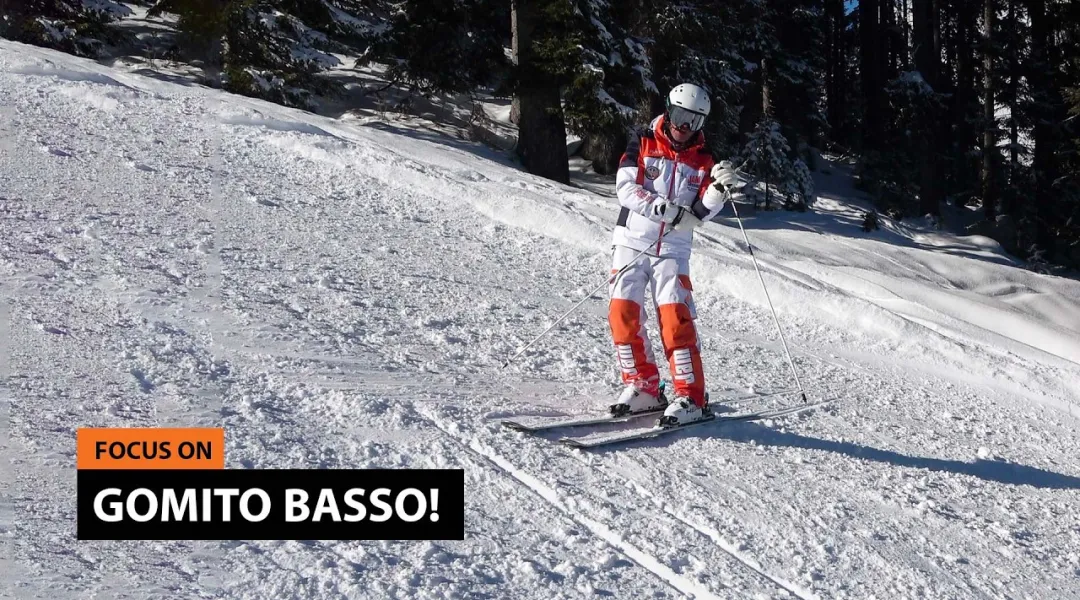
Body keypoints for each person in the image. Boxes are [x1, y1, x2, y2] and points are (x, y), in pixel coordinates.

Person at [606, 83, 742, 426]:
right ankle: (644, 386)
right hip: (632, 241)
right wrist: (661, 208)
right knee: (622, 314)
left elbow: (700, 213)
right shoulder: (642, 140)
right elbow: (625, 188)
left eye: (694, 121)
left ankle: (690, 396)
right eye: (681, 116)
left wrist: (718, 191)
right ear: (668, 111)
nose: (685, 126)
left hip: (673, 250)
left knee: (675, 320)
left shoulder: (704, 158)